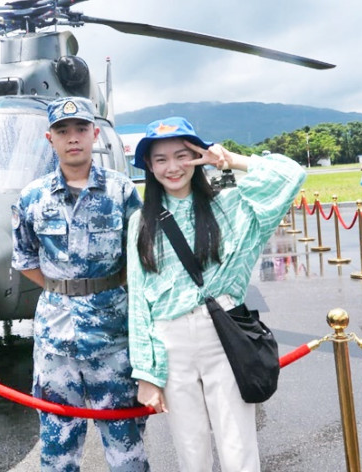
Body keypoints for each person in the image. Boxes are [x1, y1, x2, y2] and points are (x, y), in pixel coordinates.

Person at [126, 117, 305, 472]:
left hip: (223, 332)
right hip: (169, 340)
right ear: (148, 165)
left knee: (238, 442)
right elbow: (138, 299)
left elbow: (291, 175)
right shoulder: (140, 222)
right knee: (190, 448)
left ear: (197, 156)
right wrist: (146, 373)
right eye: (160, 159)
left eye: (183, 155)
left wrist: (228, 159)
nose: (173, 167)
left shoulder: (232, 207)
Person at [12, 97, 149, 471]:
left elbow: (140, 257)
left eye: (80, 129)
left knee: (126, 440)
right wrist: (64, 288)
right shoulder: (32, 198)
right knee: (58, 441)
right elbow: (24, 259)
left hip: (113, 334)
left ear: (95, 134)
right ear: (50, 138)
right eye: (63, 131)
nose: (73, 138)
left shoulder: (122, 192)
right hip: (56, 336)